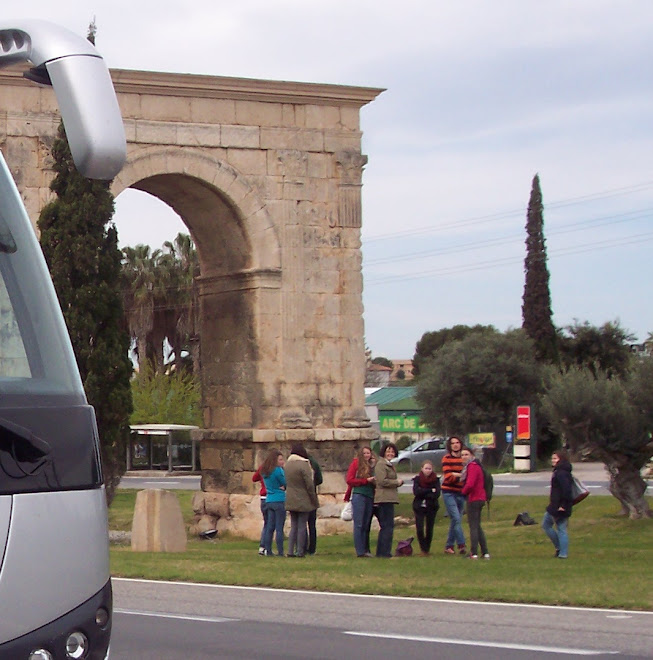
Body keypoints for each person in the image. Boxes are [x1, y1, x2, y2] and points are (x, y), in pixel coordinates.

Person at [284, 443, 319, 558]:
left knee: (293, 526)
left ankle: (290, 550)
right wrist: (313, 499)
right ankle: (300, 551)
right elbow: (309, 484)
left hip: (290, 497)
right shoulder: (304, 464)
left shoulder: (287, 464)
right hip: (303, 498)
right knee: (302, 526)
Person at [542, 448, 573, 559]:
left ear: (561, 459)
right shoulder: (561, 471)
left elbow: (567, 490)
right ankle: (561, 550)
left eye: (555, 458)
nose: (553, 460)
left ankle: (561, 551)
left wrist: (563, 505)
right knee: (558, 527)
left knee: (551, 526)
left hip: (559, 506)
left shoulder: (561, 473)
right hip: (558, 505)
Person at [346, 446, 377, 557]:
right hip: (359, 494)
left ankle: (366, 549)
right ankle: (360, 551)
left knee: (366, 523)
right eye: (364, 453)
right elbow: (349, 480)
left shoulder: (373, 465)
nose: (366, 455)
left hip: (370, 495)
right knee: (359, 524)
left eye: (368, 453)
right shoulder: (356, 464)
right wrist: (365, 481)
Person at [373, 442, 403, 558]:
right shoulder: (381, 464)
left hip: (389, 498)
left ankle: (383, 552)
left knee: (387, 526)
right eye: (388, 451)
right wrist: (397, 482)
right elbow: (381, 481)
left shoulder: (389, 464)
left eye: (392, 452)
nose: (390, 454)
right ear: (384, 453)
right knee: (387, 526)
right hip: (384, 499)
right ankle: (384, 552)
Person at [460, 446, 489, 559]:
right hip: (480, 498)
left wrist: (463, 492)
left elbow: (470, 484)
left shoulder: (472, 466)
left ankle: (474, 552)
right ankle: (485, 552)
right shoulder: (476, 466)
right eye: (462, 455)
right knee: (477, 526)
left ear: (472, 455)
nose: (464, 457)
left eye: (466, 454)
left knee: (473, 526)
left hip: (474, 498)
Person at [441, 435, 467, 555]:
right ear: (449, 446)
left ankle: (449, 546)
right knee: (456, 518)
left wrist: (456, 474)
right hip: (448, 492)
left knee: (455, 520)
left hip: (461, 493)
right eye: (453, 443)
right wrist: (460, 475)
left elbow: (468, 476)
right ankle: (462, 545)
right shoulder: (446, 458)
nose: (455, 445)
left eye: (457, 442)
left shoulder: (464, 458)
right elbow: (448, 477)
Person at [412, 459, 440, 556]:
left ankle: (426, 549)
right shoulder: (417, 479)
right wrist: (429, 490)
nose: (428, 470)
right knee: (419, 528)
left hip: (431, 506)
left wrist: (424, 491)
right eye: (426, 468)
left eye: (429, 469)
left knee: (429, 528)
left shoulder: (435, 480)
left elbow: (436, 494)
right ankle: (422, 547)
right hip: (419, 506)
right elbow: (416, 492)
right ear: (422, 469)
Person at [261, 449, 286, 557]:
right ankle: (280, 552)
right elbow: (285, 482)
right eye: (280, 459)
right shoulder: (278, 470)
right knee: (279, 527)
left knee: (270, 527)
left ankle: (268, 550)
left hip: (269, 499)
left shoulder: (265, 471)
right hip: (279, 499)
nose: (282, 461)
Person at [304, 452, 323, 555]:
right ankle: (312, 548)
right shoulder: (313, 463)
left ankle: (303, 546)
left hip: (303, 496)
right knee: (312, 524)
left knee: (302, 523)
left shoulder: (297, 462)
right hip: (312, 496)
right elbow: (320, 479)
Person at [252, 463, 268, 556]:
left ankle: (262, 546)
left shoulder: (263, 467)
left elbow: (254, 478)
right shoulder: (277, 469)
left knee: (266, 523)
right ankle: (266, 547)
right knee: (271, 524)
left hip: (263, 497)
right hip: (271, 496)